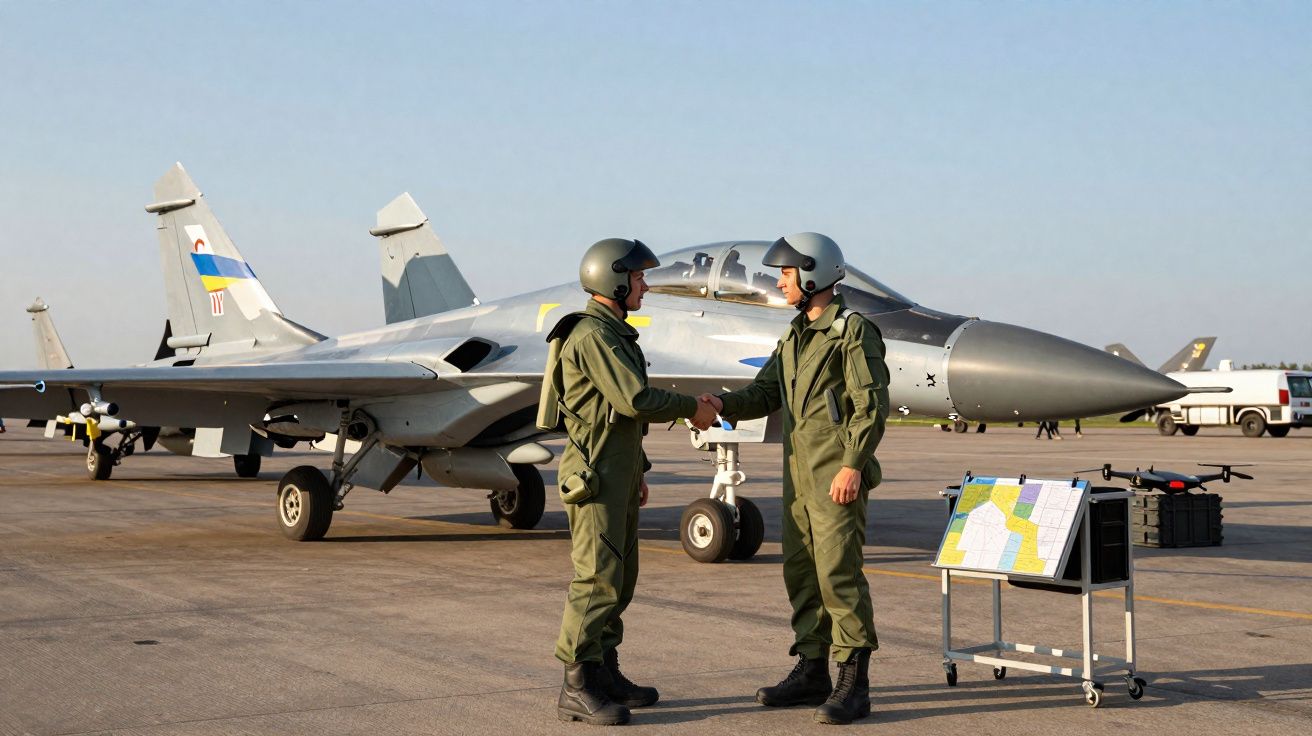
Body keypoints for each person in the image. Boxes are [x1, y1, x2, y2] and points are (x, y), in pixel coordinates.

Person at [700, 232, 889, 725]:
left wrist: (852, 465)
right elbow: (766, 391)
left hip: (835, 475)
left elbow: (871, 404)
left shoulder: (851, 331)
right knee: (802, 572)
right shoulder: (794, 335)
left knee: (838, 575)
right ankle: (812, 670)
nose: (779, 281)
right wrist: (721, 405)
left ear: (812, 273)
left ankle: (854, 682)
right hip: (799, 477)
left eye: (786, 272)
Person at [539, 238, 718, 726]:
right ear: (613, 279)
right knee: (596, 579)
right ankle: (575, 686)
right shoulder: (594, 336)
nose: (645, 286)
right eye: (638, 278)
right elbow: (634, 400)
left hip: (616, 475)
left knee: (619, 580)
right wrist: (691, 409)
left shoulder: (615, 334)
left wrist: (637, 471)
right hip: (595, 479)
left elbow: (617, 419)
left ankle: (604, 673)